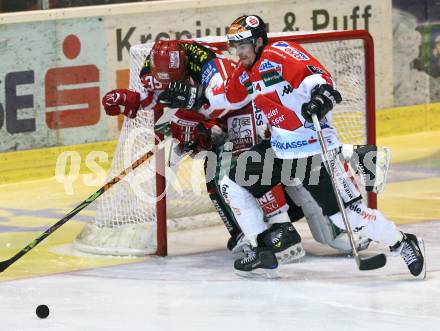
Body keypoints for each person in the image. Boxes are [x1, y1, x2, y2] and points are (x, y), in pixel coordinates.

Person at [215, 14, 426, 278]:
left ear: (258, 42)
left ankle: (403, 242)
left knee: (346, 217)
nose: (239, 53)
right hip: (280, 150)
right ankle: (261, 249)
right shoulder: (245, 72)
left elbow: (320, 79)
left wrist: (320, 97)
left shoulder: (278, 53)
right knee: (232, 185)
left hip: (314, 151)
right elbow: (228, 96)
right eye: (235, 47)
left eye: (243, 46)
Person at [101, 39, 306, 263]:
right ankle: (245, 232)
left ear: (184, 66)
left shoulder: (211, 68)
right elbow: (159, 96)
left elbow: (229, 101)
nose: (167, 85)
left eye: (174, 80)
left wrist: (192, 120)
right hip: (215, 112)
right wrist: (131, 100)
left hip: (244, 105)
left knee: (250, 165)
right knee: (215, 174)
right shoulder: (152, 69)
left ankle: (283, 229)